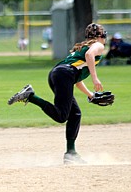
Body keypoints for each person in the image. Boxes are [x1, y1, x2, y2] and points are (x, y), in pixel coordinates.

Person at [8, 23, 108, 165]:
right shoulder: (98, 46)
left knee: (75, 114)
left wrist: (90, 94)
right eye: (103, 34)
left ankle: (71, 153)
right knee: (61, 116)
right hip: (63, 75)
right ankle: (30, 96)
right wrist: (95, 78)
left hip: (57, 74)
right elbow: (89, 55)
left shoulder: (83, 47)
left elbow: (76, 79)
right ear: (100, 36)